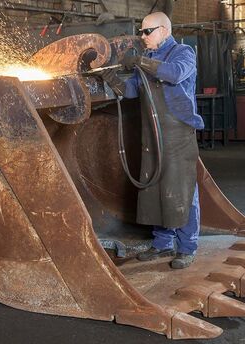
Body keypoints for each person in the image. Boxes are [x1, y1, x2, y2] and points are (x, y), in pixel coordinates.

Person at [100, 11, 204, 269]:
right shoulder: (147, 58)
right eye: (142, 31)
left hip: (178, 133)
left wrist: (139, 62)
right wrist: (107, 76)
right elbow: (131, 91)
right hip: (153, 133)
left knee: (181, 190)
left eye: (148, 31)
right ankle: (162, 244)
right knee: (155, 187)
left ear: (164, 31)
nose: (142, 36)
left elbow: (174, 74)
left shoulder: (183, 53)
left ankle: (187, 247)